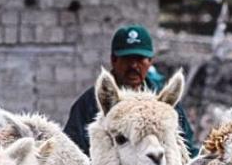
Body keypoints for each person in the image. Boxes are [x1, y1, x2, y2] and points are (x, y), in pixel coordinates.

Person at [64, 25, 196, 156]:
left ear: (150, 61)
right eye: (127, 59)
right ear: (114, 60)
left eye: (139, 59)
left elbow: (188, 147)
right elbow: (72, 152)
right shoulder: (89, 104)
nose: (133, 65)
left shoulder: (162, 100)